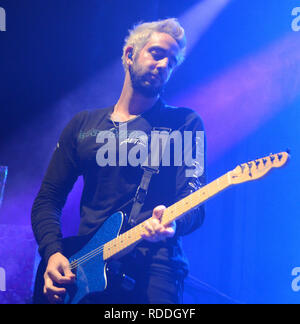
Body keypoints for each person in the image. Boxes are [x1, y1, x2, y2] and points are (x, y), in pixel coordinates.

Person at [31, 18, 206, 304]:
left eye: (172, 62)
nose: (163, 65)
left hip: (155, 266)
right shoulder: (84, 124)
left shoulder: (183, 122)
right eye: (157, 53)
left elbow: (195, 199)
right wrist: (52, 252)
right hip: (86, 266)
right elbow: (47, 200)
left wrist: (173, 224)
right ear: (129, 54)